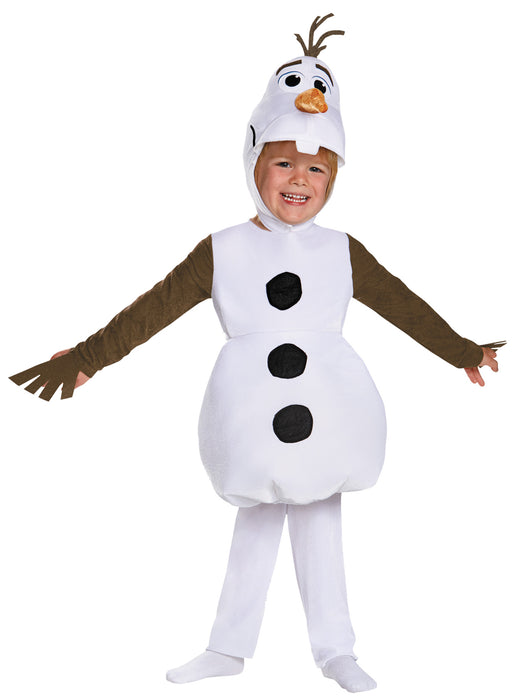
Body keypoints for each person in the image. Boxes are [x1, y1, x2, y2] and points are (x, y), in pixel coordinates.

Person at [9, 15, 503, 695]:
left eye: (315, 167)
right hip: (250, 410)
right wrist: (87, 358)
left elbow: (401, 303)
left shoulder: (343, 251)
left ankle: (335, 650)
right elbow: (152, 309)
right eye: (282, 163)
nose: (298, 180)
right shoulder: (221, 249)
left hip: (328, 406)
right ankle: (227, 647)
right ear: (253, 164)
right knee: (256, 516)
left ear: (333, 177)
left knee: (321, 518)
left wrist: (460, 351)